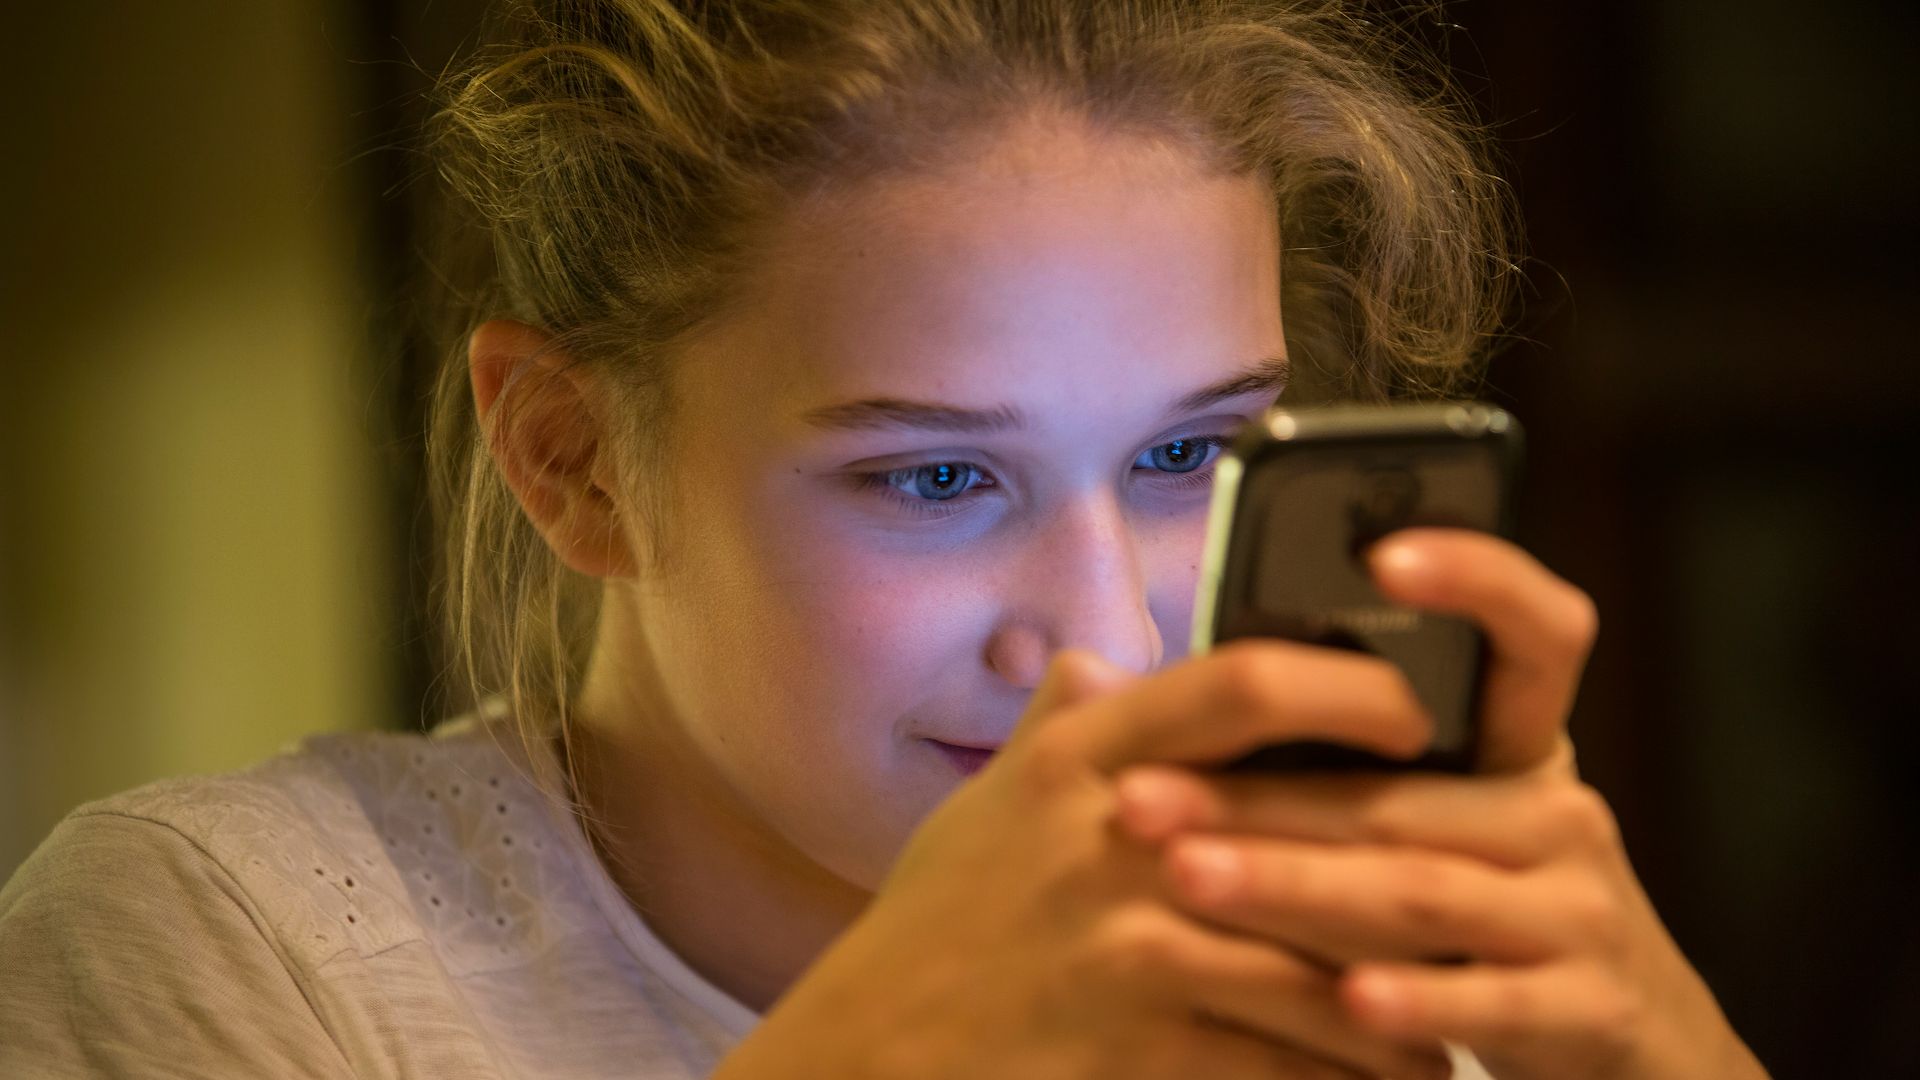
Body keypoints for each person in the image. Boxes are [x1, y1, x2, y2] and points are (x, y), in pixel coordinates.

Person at [0, 2, 1769, 1077]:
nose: (1106, 648)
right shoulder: (231, 944)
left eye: (1189, 455)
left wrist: (1664, 1055)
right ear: (570, 457)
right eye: (935, 481)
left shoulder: (1338, 971)